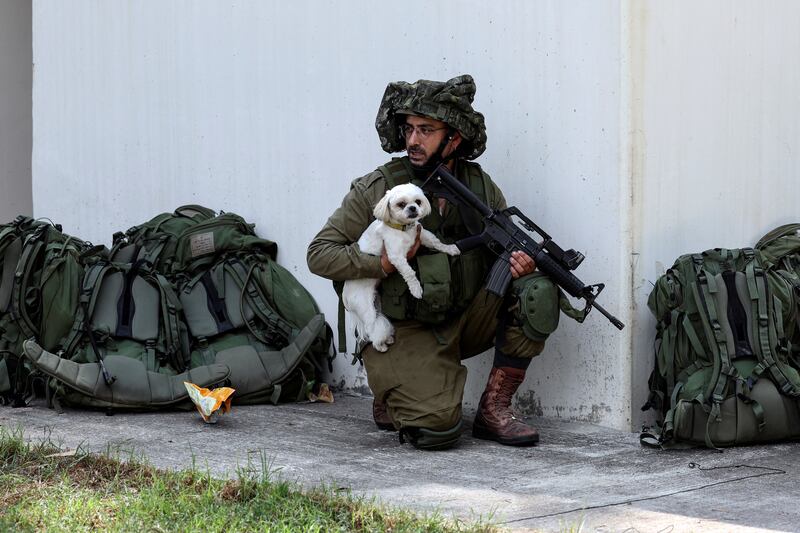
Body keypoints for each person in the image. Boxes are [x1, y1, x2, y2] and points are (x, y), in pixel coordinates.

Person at [307, 75, 563, 450]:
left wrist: (520, 265)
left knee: (536, 291)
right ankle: (394, 387)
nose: (412, 140)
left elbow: (502, 247)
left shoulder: (480, 187)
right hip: (405, 326)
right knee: (437, 431)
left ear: (454, 137)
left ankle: (495, 409)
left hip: (463, 317)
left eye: (426, 130)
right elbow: (320, 253)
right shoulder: (382, 188)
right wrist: (383, 264)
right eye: (409, 129)